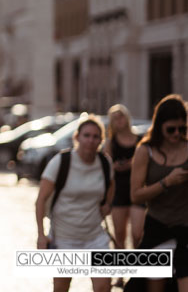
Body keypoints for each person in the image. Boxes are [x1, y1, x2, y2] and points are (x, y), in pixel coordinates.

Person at [35, 116, 113, 292]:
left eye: (95, 136)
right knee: (62, 287)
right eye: (86, 135)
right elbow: (40, 200)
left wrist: (107, 204)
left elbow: (111, 186)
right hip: (64, 238)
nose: (90, 140)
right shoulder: (61, 162)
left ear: (101, 140)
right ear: (77, 137)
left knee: (103, 287)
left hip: (95, 237)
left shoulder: (104, 162)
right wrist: (41, 235)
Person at [130, 94, 188, 292]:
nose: (176, 134)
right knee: (149, 283)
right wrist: (166, 182)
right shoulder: (145, 151)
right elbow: (136, 195)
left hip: (185, 227)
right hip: (157, 225)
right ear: (159, 125)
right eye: (171, 129)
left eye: (183, 128)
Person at [103, 104, 143, 249]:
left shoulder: (140, 139)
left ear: (127, 117)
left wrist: (133, 164)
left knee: (138, 234)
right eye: (115, 118)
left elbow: (146, 161)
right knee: (119, 235)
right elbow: (106, 166)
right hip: (118, 190)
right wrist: (117, 166)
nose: (119, 120)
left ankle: (137, 267)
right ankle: (121, 268)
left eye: (121, 116)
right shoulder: (110, 142)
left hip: (137, 188)